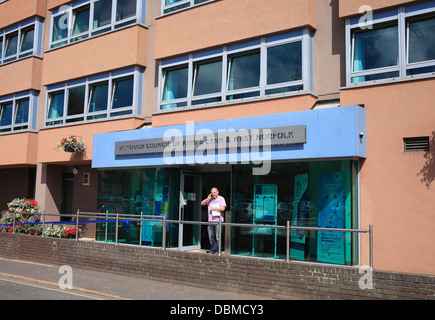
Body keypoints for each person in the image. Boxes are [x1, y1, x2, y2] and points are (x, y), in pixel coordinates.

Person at [201, 187, 226, 254]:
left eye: (214, 192)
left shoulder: (221, 199)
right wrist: (207, 198)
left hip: (218, 221)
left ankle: (218, 250)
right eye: (212, 193)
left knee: (218, 237)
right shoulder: (210, 199)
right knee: (211, 236)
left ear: (218, 192)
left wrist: (214, 208)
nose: (213, 194)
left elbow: (223, 208)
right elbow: (202, 203)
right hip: (210, 220)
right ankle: (213, 249)